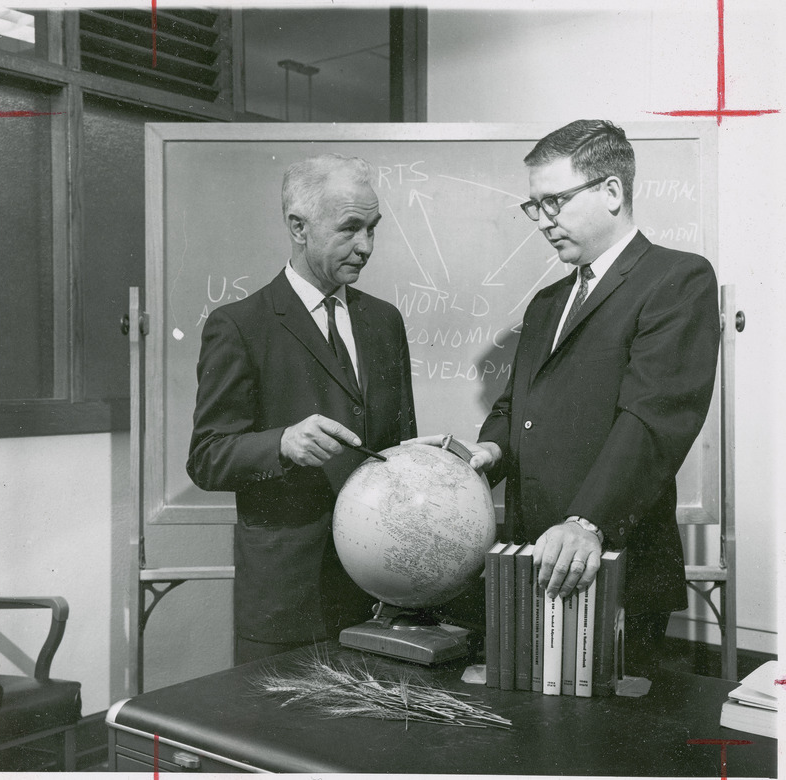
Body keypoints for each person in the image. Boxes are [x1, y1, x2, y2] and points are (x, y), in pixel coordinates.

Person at [416, 120, 720, 677]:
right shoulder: (548, 302)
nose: (544, 221)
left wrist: (588, 521)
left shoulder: (677, 280)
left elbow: (654, 419)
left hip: (611, 559)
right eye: (535, 206)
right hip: (532, 564)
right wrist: (486, 455)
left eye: (554, 200)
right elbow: (515, 409)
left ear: (612, 191)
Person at [187, 153, 417, 665]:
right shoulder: (241, 325)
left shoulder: (384, 322)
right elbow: (206, 457)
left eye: (372, 229)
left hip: (378, 592)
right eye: (351, 228)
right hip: (287, 602)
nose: (366, 247)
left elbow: (396, 444)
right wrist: (282, 442)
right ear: (298, 226)